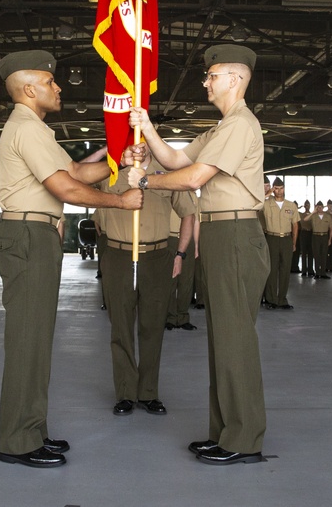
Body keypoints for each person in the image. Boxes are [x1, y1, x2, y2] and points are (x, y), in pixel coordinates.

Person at [0, 49, 142, 469]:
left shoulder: (35, 128)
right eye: (50, 81)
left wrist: (120, 161)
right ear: (28, 88)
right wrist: (120, 201)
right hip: (27, 234)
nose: (58, 87)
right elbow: (66, 190)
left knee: (36, 338)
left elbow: (75, 172)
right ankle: (18, 440)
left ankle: (32, 429)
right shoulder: (26, 128)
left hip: (36, 233)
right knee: (27, 340)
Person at [127, 43, 269, 466]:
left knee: (235, 340)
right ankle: (224, 432)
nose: (205, 81)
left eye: (212, 75)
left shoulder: (241, 124)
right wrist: (147, 127)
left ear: (235, 79)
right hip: (222, 232)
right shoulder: (221, 127)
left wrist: (147, 181)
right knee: (223, 339)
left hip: (237, 233)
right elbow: (176, 157)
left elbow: (194, 177)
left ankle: (244, 439)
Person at [99, 152, 195, 417]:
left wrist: (181, 253)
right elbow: (77, 175)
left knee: (153, 327)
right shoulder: (110, 169)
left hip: (156, 257)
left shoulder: (166, 173)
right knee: (121, 327)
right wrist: (109, 150)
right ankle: (126, 393)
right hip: (119, 255)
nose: (138, 143)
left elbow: (188, 212)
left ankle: (148, 392)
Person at [262, 177, 299, 309]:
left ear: (284, 188)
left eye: (281, 188)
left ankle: (282, 299)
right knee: (271, 270)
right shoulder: (266, 203)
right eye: (276, 188)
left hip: (286, 239)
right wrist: (268, 193)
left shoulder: (291, 205)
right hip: (272, 238)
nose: (279, 191)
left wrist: (294, 243)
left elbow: (295, 225)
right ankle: (271, 300)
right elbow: (256, 203)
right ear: (273, 189)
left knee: (285, 270)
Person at [166, 196, 199, 329]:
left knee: (186, 280)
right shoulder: (169, 191)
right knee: (169, 280)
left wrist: (196, 245)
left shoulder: (193, 196)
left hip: (188, 240)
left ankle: (183, 317)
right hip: (170, 238)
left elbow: (195, 222)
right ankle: (170, 317)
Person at [303, 201, 332, 280]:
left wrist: (330, 239)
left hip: (324, 236)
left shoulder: (327, 216)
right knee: (316, 255)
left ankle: (323, 273)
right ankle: (317, 272)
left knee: (324, 254)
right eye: (318, 207)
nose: (319, 209)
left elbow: (331, 228)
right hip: (315, 236)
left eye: (321, 207)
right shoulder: (313, 216)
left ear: (323, 207)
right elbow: (305, 219)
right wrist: (313, 212)